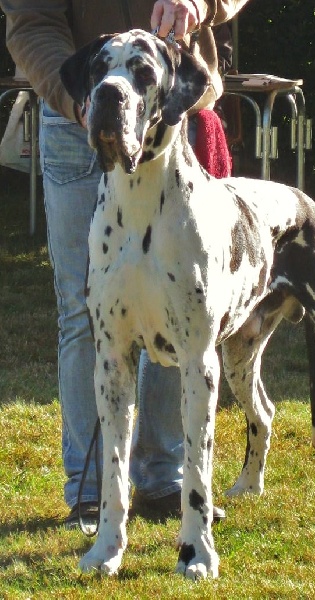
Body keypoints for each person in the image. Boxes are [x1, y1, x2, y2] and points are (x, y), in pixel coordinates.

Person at [1, 0, 249, 530]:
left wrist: (201, 4)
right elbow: (30, 25)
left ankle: (163, 479)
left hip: (172, 115)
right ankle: (90, 492)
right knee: (83, 310)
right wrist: (83, 102)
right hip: (76, 117)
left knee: (183, 304)